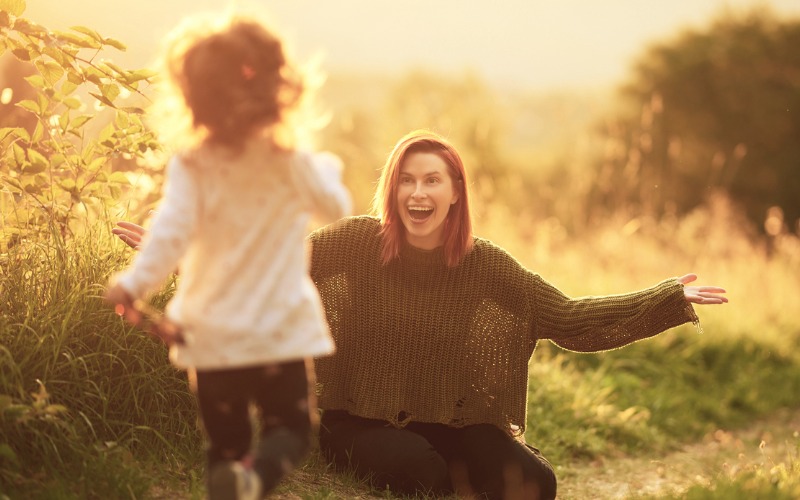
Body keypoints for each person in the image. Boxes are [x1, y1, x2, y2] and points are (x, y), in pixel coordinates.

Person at [114, 130, 727, 500]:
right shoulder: (355, 244)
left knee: (536, 486)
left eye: (432, 181)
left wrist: (664, 299)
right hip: (358, 422)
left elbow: (568, 317)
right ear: (392, 189)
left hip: (456, 422)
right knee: (423, 474)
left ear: (455, 191)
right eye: (407, 181)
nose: (418, 194)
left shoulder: (486, 266)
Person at [104, 14, 351, 500]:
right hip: (277, 334)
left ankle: (230, 476)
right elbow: (335, 208)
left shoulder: (192, 165)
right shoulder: (290, 160)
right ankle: (255, 481)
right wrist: (325, 166)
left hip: (211, 336)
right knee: (291, 430)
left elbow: (168, 234)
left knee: (225, 445)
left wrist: (133, 284)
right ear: (279, 88)